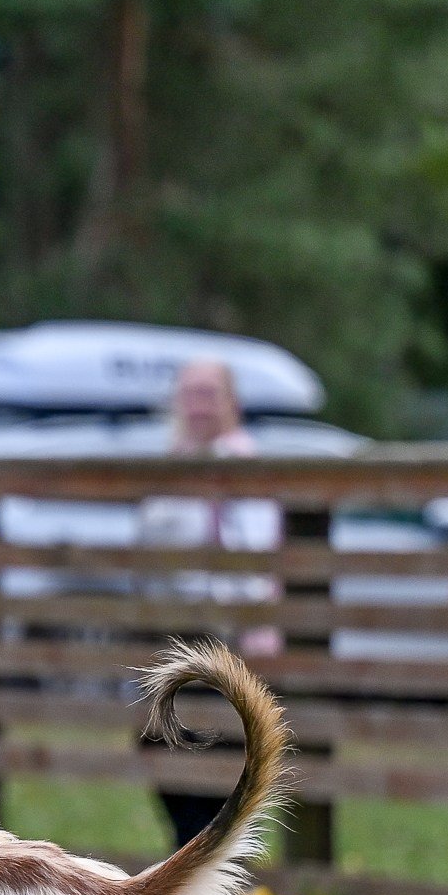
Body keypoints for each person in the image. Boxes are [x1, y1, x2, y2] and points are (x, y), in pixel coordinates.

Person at [138, 359, 282, 848]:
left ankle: (214, 860)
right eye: (191, 393)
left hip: (235, 634)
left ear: (231, 403)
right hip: (174, 631)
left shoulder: (246, 465)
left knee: (228, 751)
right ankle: (189, 851)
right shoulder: (167, 469)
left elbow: (256, 553)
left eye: (209, 393)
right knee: (160, 739)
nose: (199, 405)